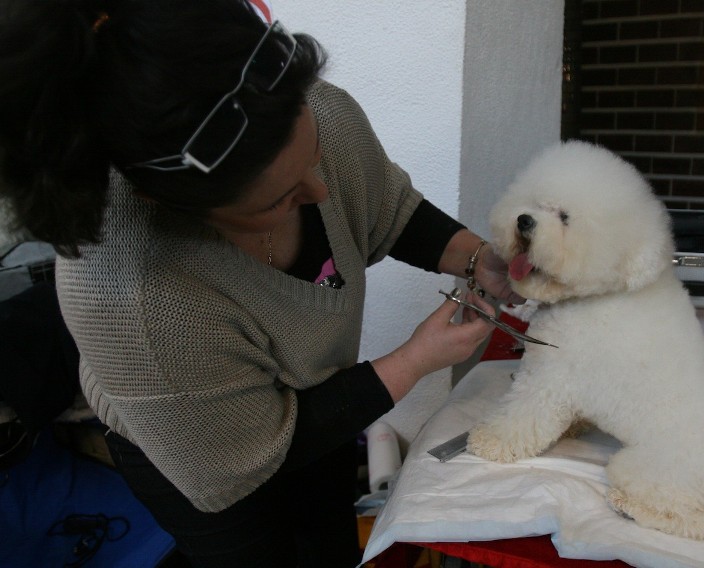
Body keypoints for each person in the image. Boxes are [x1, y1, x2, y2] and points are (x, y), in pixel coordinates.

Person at [0, 1, 524, 566]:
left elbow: (385, 206)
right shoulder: (135, 298)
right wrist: (415, 360)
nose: (320, 194)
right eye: (278, 200)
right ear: (172, 203)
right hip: (199, 442)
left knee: (325, 540)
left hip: (316, 391)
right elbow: (242, 459)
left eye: (314, 159)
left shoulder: (312, 111)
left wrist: (477, 258)